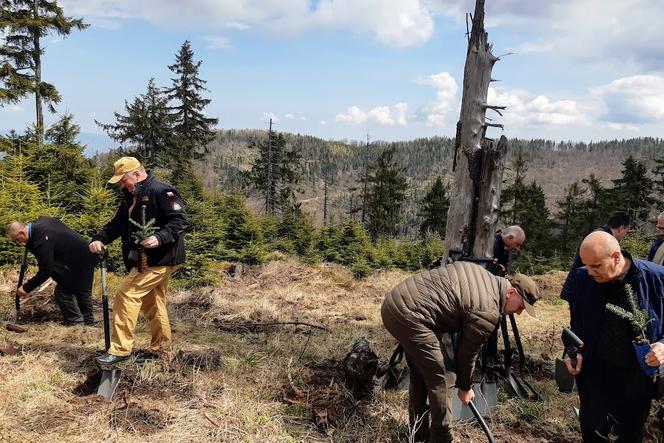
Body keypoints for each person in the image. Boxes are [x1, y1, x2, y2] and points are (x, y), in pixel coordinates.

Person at [381, 261, 539, 443]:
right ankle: (442, 438)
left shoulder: (484, 277)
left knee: (421, 370)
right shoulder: (488, 310)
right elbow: (467, 355)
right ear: (511, 292)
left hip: (396, 303)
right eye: (520, 307)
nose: (518, 313)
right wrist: (465, 387)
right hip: (410, 315)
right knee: (442, 376)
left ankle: (417, 434)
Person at [561, 231, 664, 442]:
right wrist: (574, 353)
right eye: (586, 265)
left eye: (596, 266)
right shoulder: (582, 278)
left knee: (630, 432)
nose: (589, 271)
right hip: (595, 372)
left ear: (616, 258)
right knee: (592, 430)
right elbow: (576, 324)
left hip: (637, 375)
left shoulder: (656, 279)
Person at [89, 157, 187, 366]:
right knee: (153, 301)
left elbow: (179, 220)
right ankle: (162, 349)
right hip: (145, 259)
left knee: (127, 294)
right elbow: (117, 224)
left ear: (137, 174)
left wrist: (160, 237)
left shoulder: (161, 191)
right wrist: (99, 238)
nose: (123, 185)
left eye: (124, 180)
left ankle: (120, 349)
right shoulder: (130, 197)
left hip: (160, 258)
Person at [7, 217, 97, 325]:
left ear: (22, 232)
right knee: (78, 289)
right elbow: (55, 221)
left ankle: (77, 323)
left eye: (17, 239)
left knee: (66, 291)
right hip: (83, 253)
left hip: (80, 259)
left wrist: (26, 288)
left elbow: (46, 270)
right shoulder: (41, 222)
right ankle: (88, 323)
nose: (18, 242)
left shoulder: (40, 240)